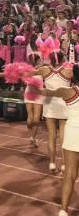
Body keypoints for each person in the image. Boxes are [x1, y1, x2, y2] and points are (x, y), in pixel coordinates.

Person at [35, 64, 79, 216]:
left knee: (70, 175)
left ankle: (64, 209)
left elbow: (47, 91)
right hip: (72, 133)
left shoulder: (68, 91)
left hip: (73, 134)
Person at [29, 50, 71, 172]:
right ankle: (64, 164)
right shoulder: (69, 72)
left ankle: (52, 163)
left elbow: (28, 73)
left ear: (50, 59)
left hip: (49, 105)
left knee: (51, 136)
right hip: (63, 105)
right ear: (63, 58)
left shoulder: (44, 70)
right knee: (64, 137)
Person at [24, 53, 44, 148]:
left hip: (35, 94)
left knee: (33, 118)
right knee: (33, 118)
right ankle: (32, 136)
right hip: (33, 93)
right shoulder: (34, 70)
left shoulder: (38, 70)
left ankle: (32, 137)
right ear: (37, 60)